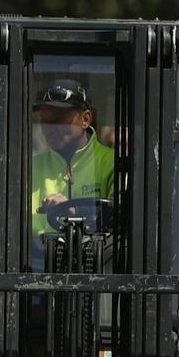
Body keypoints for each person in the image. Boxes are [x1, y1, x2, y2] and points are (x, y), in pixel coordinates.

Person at [28, 79, 118, 239]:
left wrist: (77, 211)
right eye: (44, 121)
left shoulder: (114, 163)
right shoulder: (28, 168)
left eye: (58, 120)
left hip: (101, 261)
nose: (49, 129)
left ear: (85, 119)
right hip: (37, 262)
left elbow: (124, 219)